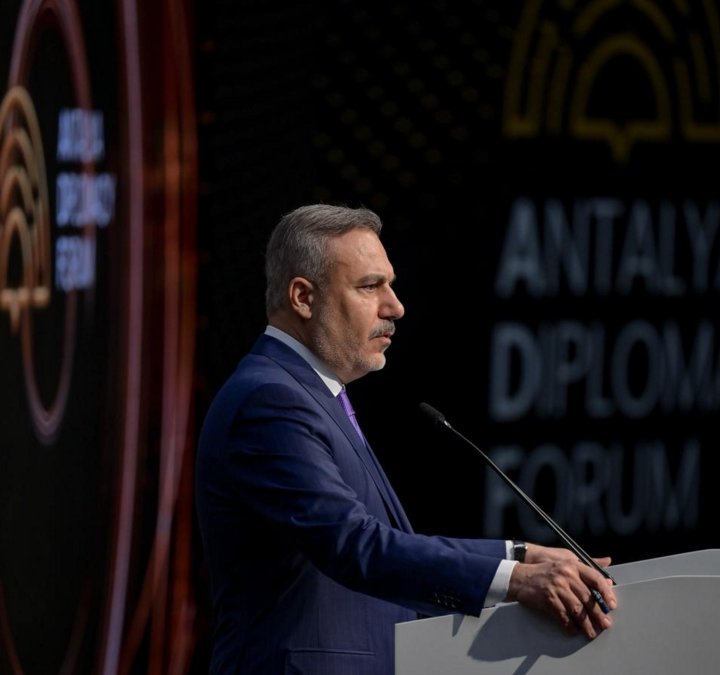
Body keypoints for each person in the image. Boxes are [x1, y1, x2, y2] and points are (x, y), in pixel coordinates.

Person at [196, 204, 617, 674]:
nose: (395, 306)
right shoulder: (270, 401)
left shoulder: (309, 394)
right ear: (302, 297)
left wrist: (517, 553)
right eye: (369, 286)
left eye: (389, 284)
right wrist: (515, 580)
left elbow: (384, 542)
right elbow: (356, 546)